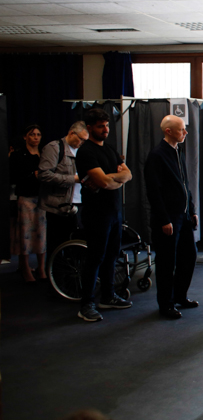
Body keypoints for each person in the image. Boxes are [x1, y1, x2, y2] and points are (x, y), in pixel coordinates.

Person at [75, 108, 133, 322]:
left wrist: (111, 178)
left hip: (114, 211)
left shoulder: (109, 150)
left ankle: (108, 297)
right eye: (101, 126)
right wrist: (113, 179)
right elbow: (105, 182)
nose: (105, 129)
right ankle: (86, 304)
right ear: (89, 128)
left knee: (111, 256)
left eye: (107, 125)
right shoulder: (86, 152)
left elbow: (128, 174)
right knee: (95, 258)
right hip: (96, 213)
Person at [144, 115, 199, 320]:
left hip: (183, 216)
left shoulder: (178, 152)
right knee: (167, 262)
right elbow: (154, 192)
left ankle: (180, 296)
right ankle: (165, 304)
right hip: (168, 219)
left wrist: (191, 210)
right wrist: (164, 219)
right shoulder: (157, 156)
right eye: (181, 130)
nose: (185, 133)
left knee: (189, 256)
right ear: (168, 131)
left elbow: (185, 185)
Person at [39, 121, 88, 258]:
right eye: (81, 139)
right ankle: (56, 276)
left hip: (79, 203)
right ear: (71, 133)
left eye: (85, 140)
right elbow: (44, 175)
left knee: (76, 246)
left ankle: (73, 275)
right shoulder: (54, 148)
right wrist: (73, 179)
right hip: (59, 206)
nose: (82, 143)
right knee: (58, 245)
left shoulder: (82, 150)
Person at [9, 125, 47, 283]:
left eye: (38, 134)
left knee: (42, 234)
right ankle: (24, 267)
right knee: (24, 235)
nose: (36, 137)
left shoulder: (44, 154)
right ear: (25, 137)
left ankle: (42, 267)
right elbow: (12, 178)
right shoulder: (18, 155)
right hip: (25, 197)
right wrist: (33, 175)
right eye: (32, 134)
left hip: (42, 198)